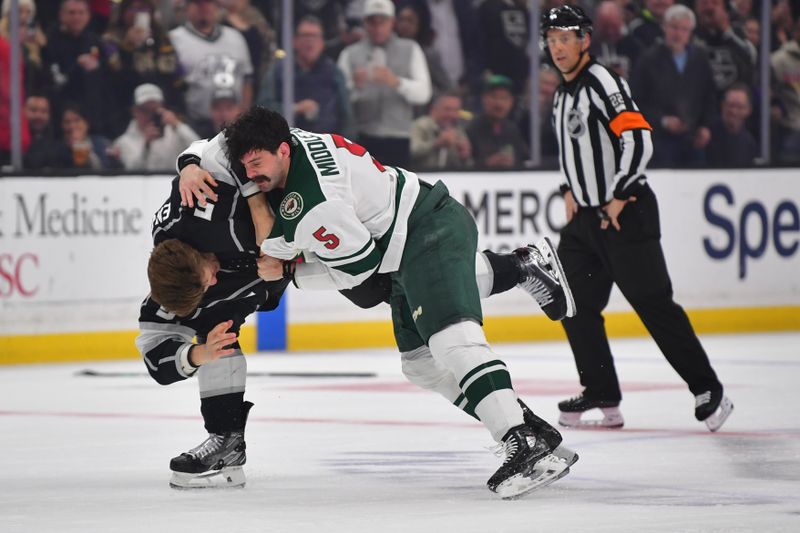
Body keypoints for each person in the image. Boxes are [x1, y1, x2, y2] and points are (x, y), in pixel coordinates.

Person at [218, 106, 577, 499]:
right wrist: (189, 164)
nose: (251, 175)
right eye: (245, 166)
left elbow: (362, 273)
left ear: (283, 150)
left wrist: (290, 274)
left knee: (450, 339)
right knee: (421, 366)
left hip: (428, 231)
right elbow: (214, 145)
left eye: (257, 164)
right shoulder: (290, 138)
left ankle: (520, 439)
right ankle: (519, 273)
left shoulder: (316, 204)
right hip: (405, 243)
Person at [540, 5, 733, 432]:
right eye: (552, 40)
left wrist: (619, 193)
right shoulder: (562, 93)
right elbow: (575, 151)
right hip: (585, 223)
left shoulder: (603, 81)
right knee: (572, 303)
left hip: (625, 215)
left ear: (585, 40)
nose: (558, 48)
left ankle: (708, 389)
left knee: (653, 306)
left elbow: (638, 138)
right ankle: (601, 391)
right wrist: (569, 189)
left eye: (565, 38)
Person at [136, 159, 289, 489]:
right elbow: (155, 360)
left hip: (300, 237)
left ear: (196, 256)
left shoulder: (206, 210)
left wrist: (189, 163)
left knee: (372, 290)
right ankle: (226, 440)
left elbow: (227, 147)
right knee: (215, 334)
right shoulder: (171, 286)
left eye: (207, 281)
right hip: (263, 276)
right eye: (209, 285)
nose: (214, 279)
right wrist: (198, 355)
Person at [336, 0, 431, 168]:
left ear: (392, 22)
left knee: (398, 192)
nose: (378, 27)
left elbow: (424, 93)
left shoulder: (411, 49)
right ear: (365, 22)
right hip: (362, 137)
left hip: (398, 138)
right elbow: (337, 99)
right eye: (373, 22)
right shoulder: (349, 54)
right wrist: (354, 86)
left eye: (383, 21)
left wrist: (397, 83)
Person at [629, 4, 716, 167]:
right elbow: (636, 101)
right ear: (664, 28)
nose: (678, 34)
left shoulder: (700, 59)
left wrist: (705, 126)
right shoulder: (648, 60)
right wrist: (663, 121)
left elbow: (709, 96)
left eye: (684, 29)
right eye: (674, 28)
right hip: (660, 142)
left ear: (690, 32)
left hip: (692, 139)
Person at [257, 16, 353, 138]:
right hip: (287, 143)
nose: (310, 41)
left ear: (322, 43)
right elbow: (262, 107)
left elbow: (346, 116)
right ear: (294, 41)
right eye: (305, 36)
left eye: (315, 36)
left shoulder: (334, 72)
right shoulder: (279, 71)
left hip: (326, 145)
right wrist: (294, 108)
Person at [169, 0, 254, 137]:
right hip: (195, 124)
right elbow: (171, 86)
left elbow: (247, 79)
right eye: (198, 4)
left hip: (235, 125)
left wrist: (244, 116)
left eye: (209, 3)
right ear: (187, 8)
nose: (204, 8)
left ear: (217, 6)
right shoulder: (174, 39)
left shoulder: (236, 37)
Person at [111, 83, 199, 170]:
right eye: (145, 110)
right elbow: (132, 172)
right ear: (134, 111)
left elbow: (199, 151)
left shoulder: (175, 134)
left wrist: (177, 125)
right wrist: (146, 145)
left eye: (155, 110)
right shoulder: (124, 142)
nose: (150, 115)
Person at [466, 74, 529, 170]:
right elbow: (464, 164)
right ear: (484, 99)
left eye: (504, 98)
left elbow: (524, 159)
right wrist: (486, 164)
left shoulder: (512, 130)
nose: (499, 103)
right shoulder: (471, 129)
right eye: (494, 97)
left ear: (511, 102)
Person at [410, 90, 472, 170]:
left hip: (451, 178)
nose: (452, 115)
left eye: (456, 110)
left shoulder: (458, 131)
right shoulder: (420, 126)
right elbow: (410, 152)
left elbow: (469, 164)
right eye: (447, 109)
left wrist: (464, 157)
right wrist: (436, 144)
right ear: (434, 109)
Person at [706, 83, 757, 166]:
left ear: (749, 110)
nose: (734, 111)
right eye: (730, 105)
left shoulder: (749, 143)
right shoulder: (706, 137)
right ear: (722, 105)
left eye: (740, 107)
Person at [23, 93, 73, 169]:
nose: (38, 116)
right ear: (23, 111)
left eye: (44, 111)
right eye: (33, 110)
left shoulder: (59, 145)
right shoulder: (12, 142)